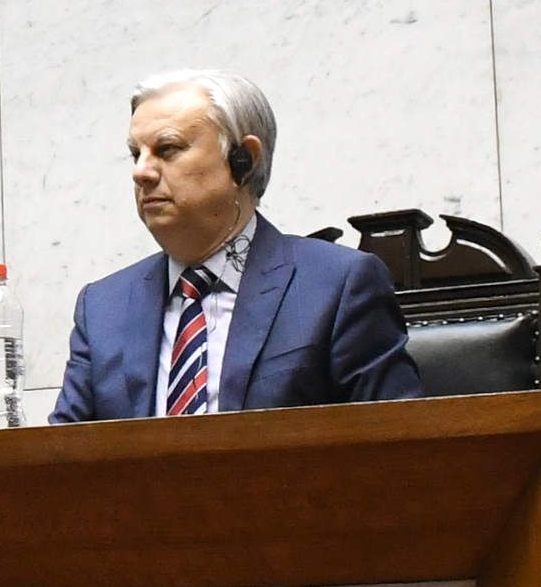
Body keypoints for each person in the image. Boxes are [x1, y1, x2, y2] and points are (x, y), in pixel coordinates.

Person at [50, 69, 416, 418]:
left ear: (244, 161)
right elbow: (61, 463)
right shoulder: (102, 308)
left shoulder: (338, 286)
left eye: (168, 149)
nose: (140, 172)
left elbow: (396, 452)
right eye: (136, 154)